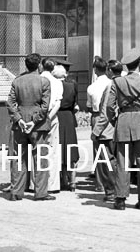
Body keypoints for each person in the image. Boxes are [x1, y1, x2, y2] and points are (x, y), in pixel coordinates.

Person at [106, 47, 140, 211]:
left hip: (123, 122)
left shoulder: (117, 82)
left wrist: (115, 120)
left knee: (123, 162)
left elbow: (109, 106)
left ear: (127, 66)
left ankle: (120, 199)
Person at [6, 52, 53, 201]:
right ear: (39, 65)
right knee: (40, 158)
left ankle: (16, 191)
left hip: (19, 124)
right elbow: (45, 107)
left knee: (18, 158)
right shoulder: (44, 81)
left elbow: (10, 103)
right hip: (38, 126)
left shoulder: (17, 81)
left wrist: (19, 119)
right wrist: (34, 121)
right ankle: (40, 193)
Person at [86, 56, 116, 201]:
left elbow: (89, 107)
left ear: (95, 70)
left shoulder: (91, 87)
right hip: (113, 121)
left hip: (98, 117)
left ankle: (101, 184)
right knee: (113, 154)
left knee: (99, 154)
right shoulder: (113, 83)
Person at [54, 60, 79, 192]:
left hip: (57, 116)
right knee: (71, 149)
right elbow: (75, 103)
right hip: (69, 117)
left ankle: (63, 180)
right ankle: (73, 181)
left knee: (59, 148)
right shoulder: (72, 85)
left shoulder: (53, 86)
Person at [40, 58, 63, 193]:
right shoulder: (57, 82)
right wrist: (49, 117)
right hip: (52, 117)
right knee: (53, 150)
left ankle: (36, 183)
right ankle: (52, 184)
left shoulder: (37, 79)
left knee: (37, 150)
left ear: (41, 66)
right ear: (53, 68)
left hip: (37, 119)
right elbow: (58, 103)